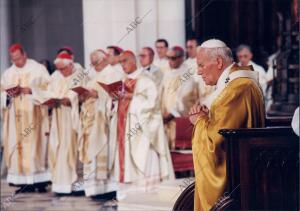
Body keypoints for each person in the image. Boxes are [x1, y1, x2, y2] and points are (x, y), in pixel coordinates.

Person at [190, 39, 265, 210]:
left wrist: (199, 120)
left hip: (235, 180)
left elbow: (216, 141)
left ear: (218, 62)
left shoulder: (237, 88)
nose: (198, 71)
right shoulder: (237, 82)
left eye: (201, 65)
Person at [110, 50, 173, 197]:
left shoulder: (146, 80)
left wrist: (131, 97)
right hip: (123, 126)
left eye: (124, 61)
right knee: (124, 157)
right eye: (120, 62)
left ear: (133, 61)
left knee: (142, 156)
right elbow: (116, 106)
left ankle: (144, 195)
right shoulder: (122, 81)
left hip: (140, 129)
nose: (122, 65)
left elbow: (153, 104)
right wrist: (113, 100)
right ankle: (126, 196)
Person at [0, 44, 51, 193]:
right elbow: (2, 93)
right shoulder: (8, 73)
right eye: (14, 60)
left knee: (36, 147)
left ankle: (39, 181)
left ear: (25, 55)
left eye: (19, 59)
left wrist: (31, 90)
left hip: (33, 116)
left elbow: (49, 88)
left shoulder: (38, 69)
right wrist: (8, 96)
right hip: (15, 118)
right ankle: (22, 182)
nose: (17, 62)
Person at [78, 49, 125, 199]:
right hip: (90, 120)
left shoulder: (113, 73)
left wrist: (96, 94)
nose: (94, 66)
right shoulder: (94, 76)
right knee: (91, 152)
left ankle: (107, 189)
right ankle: (95, 189)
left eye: (96, 63)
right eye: (92, 63)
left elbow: (116, 95)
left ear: (104, 59)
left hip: (104, 121)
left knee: (104, 150)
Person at [46, 53, 83, 195]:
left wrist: (70, 99)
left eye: (63, 69)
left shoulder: (79, 74)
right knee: (57, 147)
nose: (61, 72)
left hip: (71, 116)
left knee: (69, 148)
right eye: (59, 69)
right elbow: (48, 91)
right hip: (57, 115)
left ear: (70, 65)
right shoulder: (55, 75)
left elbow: (79, 93)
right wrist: (49, 99)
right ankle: (59, 184)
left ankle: (72, 183)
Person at [161, 46, 199, 149]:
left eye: (173, 58)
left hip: (177, 119)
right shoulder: (166, 74)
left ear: (181, 58)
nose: (170, 61)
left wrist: (171, 114)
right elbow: (161, 95)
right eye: (168, 58)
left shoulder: (187, 75)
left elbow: (185, 99)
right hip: (164, 119)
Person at [184, 38, 215, 103]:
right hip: (190, 96)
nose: (188, 50)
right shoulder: (184, 65)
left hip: (205, 94)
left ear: (198, 47)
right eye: (187, 47)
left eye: (191, 47)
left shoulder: (206, 62)